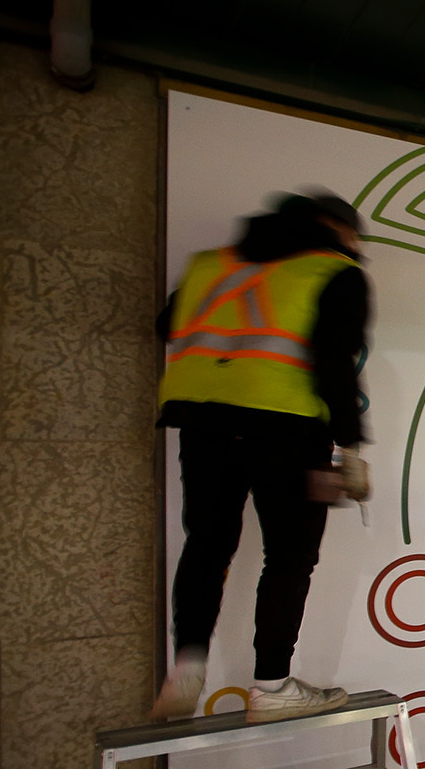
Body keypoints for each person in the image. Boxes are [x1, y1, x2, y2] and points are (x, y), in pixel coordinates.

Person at [150, 191, 372, 722]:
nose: (356, 243)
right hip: (288, 429)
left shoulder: (213, 265)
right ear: (329, 227)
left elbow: (166, 326)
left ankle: (187, 667)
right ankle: (271, 685)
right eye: (352, 232)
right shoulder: (333, 271)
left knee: (206, 545)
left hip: (205, 428)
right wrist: (352, 444)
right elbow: (333, 363)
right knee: (291, 558)